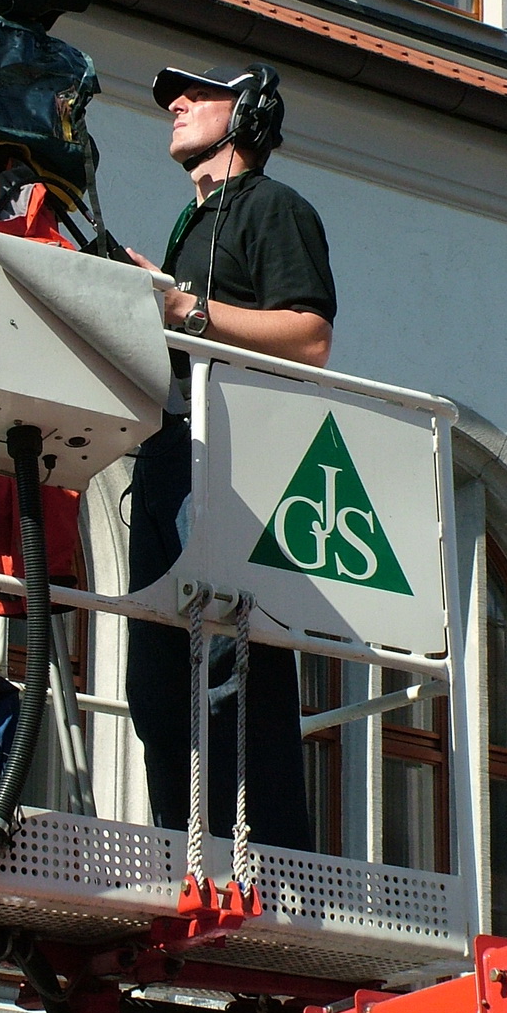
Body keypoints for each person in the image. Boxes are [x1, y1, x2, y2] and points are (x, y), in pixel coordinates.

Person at [123, 63, 337, 852]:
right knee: (153, 680)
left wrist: (187, 309)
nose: (173, 104)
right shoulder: (192, 224)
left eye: (192, 94)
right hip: (168, 451)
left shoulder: (275, 209)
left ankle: (262, 856)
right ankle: (184, 849)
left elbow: (309, 335)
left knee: (228, 669)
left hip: (232, 455)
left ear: (245, 113)